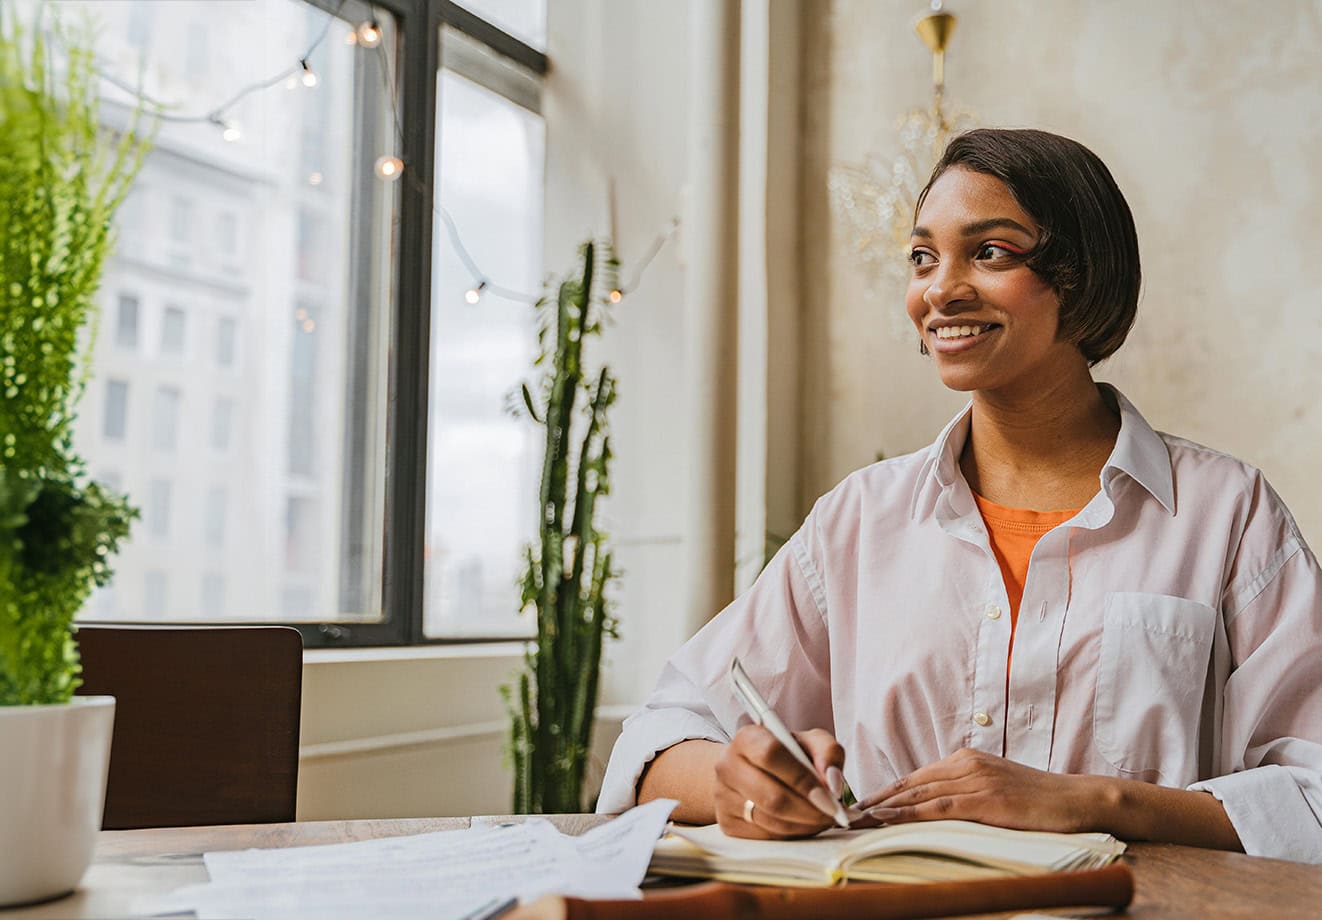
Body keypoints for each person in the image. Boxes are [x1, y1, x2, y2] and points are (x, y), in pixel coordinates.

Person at [596, 128, 1322, 863]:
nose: (940, 289)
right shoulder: (860, 520)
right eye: (922, 257)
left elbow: (1314, 793)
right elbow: (657, 737)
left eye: (990, 252)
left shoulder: (1228, 514)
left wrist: (1093, 802)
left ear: (1082, 275)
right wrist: (739, 780)